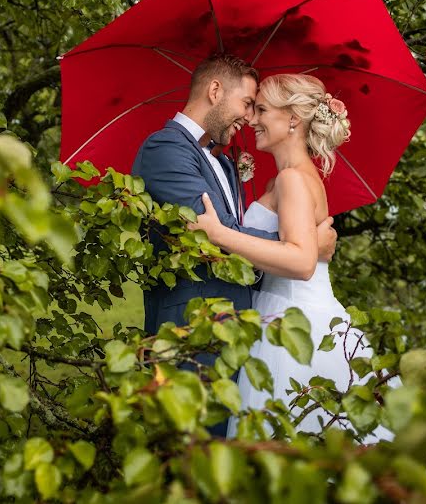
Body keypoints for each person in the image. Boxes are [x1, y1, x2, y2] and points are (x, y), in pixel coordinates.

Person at [189, 73, 426, 484]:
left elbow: (301, 261)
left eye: (262, 110)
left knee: (296, 446)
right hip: (296, 312)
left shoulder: (293, 178)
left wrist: (219, 234)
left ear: (293, 119)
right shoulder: (294, 176)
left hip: (291, 321)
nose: (254, 119)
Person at [131, 55, 337, 437]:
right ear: (214, 91)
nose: (251, 118)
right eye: (248, 104)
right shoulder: (165, 150)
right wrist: (305, 245)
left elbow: (234, 236)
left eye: (260, 109)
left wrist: (300, 247)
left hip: (245, 331)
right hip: (190, 328)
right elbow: (214, 234)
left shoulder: (226, 165)